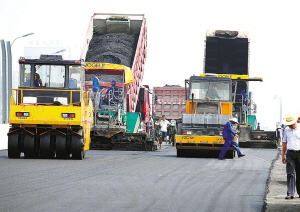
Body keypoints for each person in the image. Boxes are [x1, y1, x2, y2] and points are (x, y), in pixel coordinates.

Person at [281, 114, 300, 199]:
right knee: (290, 174)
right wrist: (283, 155)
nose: (289, 125)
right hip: (290, 154)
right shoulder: (286, 130)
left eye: (291, 124)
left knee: (299, 174)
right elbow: (284, 143)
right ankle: (290, 193)